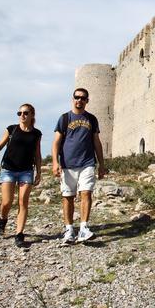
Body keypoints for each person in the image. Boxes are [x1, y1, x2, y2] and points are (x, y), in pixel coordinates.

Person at [52, 88, 105, 244]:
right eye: (77, 97)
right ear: (73, 99)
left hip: (87, 163)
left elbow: (97, 142)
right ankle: (69, 230)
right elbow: (56, 142)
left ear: (87, 101)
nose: (79, 100)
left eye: (83, 98)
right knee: (67, 197)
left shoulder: (92, 119)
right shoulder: (64, 118)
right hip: (67, 164)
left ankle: (83, 228)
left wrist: (102, 164)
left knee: (86, 193)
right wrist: (55, 162)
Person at [0, 103, 42, 248]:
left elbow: (37, 154)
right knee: (7, 202)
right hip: (9, 169)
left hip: (26, 171)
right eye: (19, 113)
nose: (22, 116)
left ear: (32, 115)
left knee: (23, 202)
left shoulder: (37, 134)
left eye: (25, 113)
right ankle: (2, 221)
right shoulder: (11, 129)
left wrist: (39, 171)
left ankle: (19, 234)